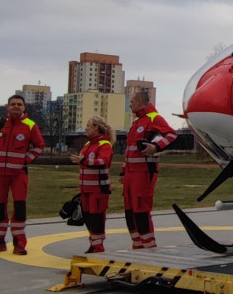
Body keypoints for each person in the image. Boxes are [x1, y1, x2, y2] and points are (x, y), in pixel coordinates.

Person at [0, 95, 45, 255]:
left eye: (19, 104)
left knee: (19, 209)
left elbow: (39, 145)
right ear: (8, 107)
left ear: (24, 108)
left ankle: (19, 244)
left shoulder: (30, 125)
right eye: (13, 104)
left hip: (18, 174)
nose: (16, 106)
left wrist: (27, 160)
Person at [120, 91, 177, 249]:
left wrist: (156, 147)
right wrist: (124, 172)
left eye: (131, 101)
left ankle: (149, 247)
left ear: (139, 101)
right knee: (130, 211)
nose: (130, 104)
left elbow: (172, 135)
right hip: (131, 174)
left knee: (140, 210)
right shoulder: (137, 122)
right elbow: (129, 150)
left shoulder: (153, 118)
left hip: (144, 172)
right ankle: (137, 245)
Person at [69, 116, 114, 253]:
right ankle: (94, 243)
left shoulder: (104, 144)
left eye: (88, 125)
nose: (86, 128)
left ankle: (98, 246)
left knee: (97, 217)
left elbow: (103, 161)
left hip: (98, 189)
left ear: (96, 127)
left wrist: (83, 161)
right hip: (86, 189)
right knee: (88, 216)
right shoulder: (88, 145)